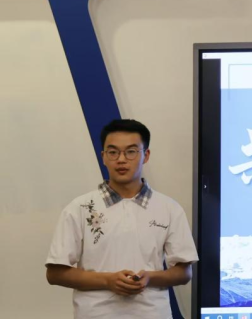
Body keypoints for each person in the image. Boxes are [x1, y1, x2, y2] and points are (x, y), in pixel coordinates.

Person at [45, 119, 199, 319]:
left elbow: (184, 273)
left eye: (131, 151)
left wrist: (149, 278)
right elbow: (55, 273)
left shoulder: (169, 208)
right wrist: (108, 281)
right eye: (113, 152)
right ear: (103, 157)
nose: (121, 159)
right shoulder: (79, 208)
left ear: (146, 155)